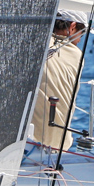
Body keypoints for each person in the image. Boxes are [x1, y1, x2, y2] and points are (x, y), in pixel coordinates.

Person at [29, 9, 87, 150]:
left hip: (24, 141)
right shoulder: (77, 55)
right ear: (72, 26)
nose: (79, 40)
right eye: (82, 33)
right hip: (58, 144)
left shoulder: (32, 42)